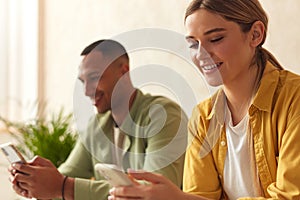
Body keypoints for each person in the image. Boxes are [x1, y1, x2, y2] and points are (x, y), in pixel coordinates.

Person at [108, 0, 300, 199]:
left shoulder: (295, 99)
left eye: (215, 39)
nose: (201, 55)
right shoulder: (203, 118)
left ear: (255, 34)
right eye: (193, 44)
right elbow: (200, 195)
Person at [8, 39, 188, 200]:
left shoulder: (164, 115)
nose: (87, 91)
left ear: (123, 71)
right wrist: (35, 183)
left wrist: (62, 186)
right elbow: (67, 174)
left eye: (94, 78)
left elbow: (153, 193)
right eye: (83, 82)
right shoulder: (97, 126)